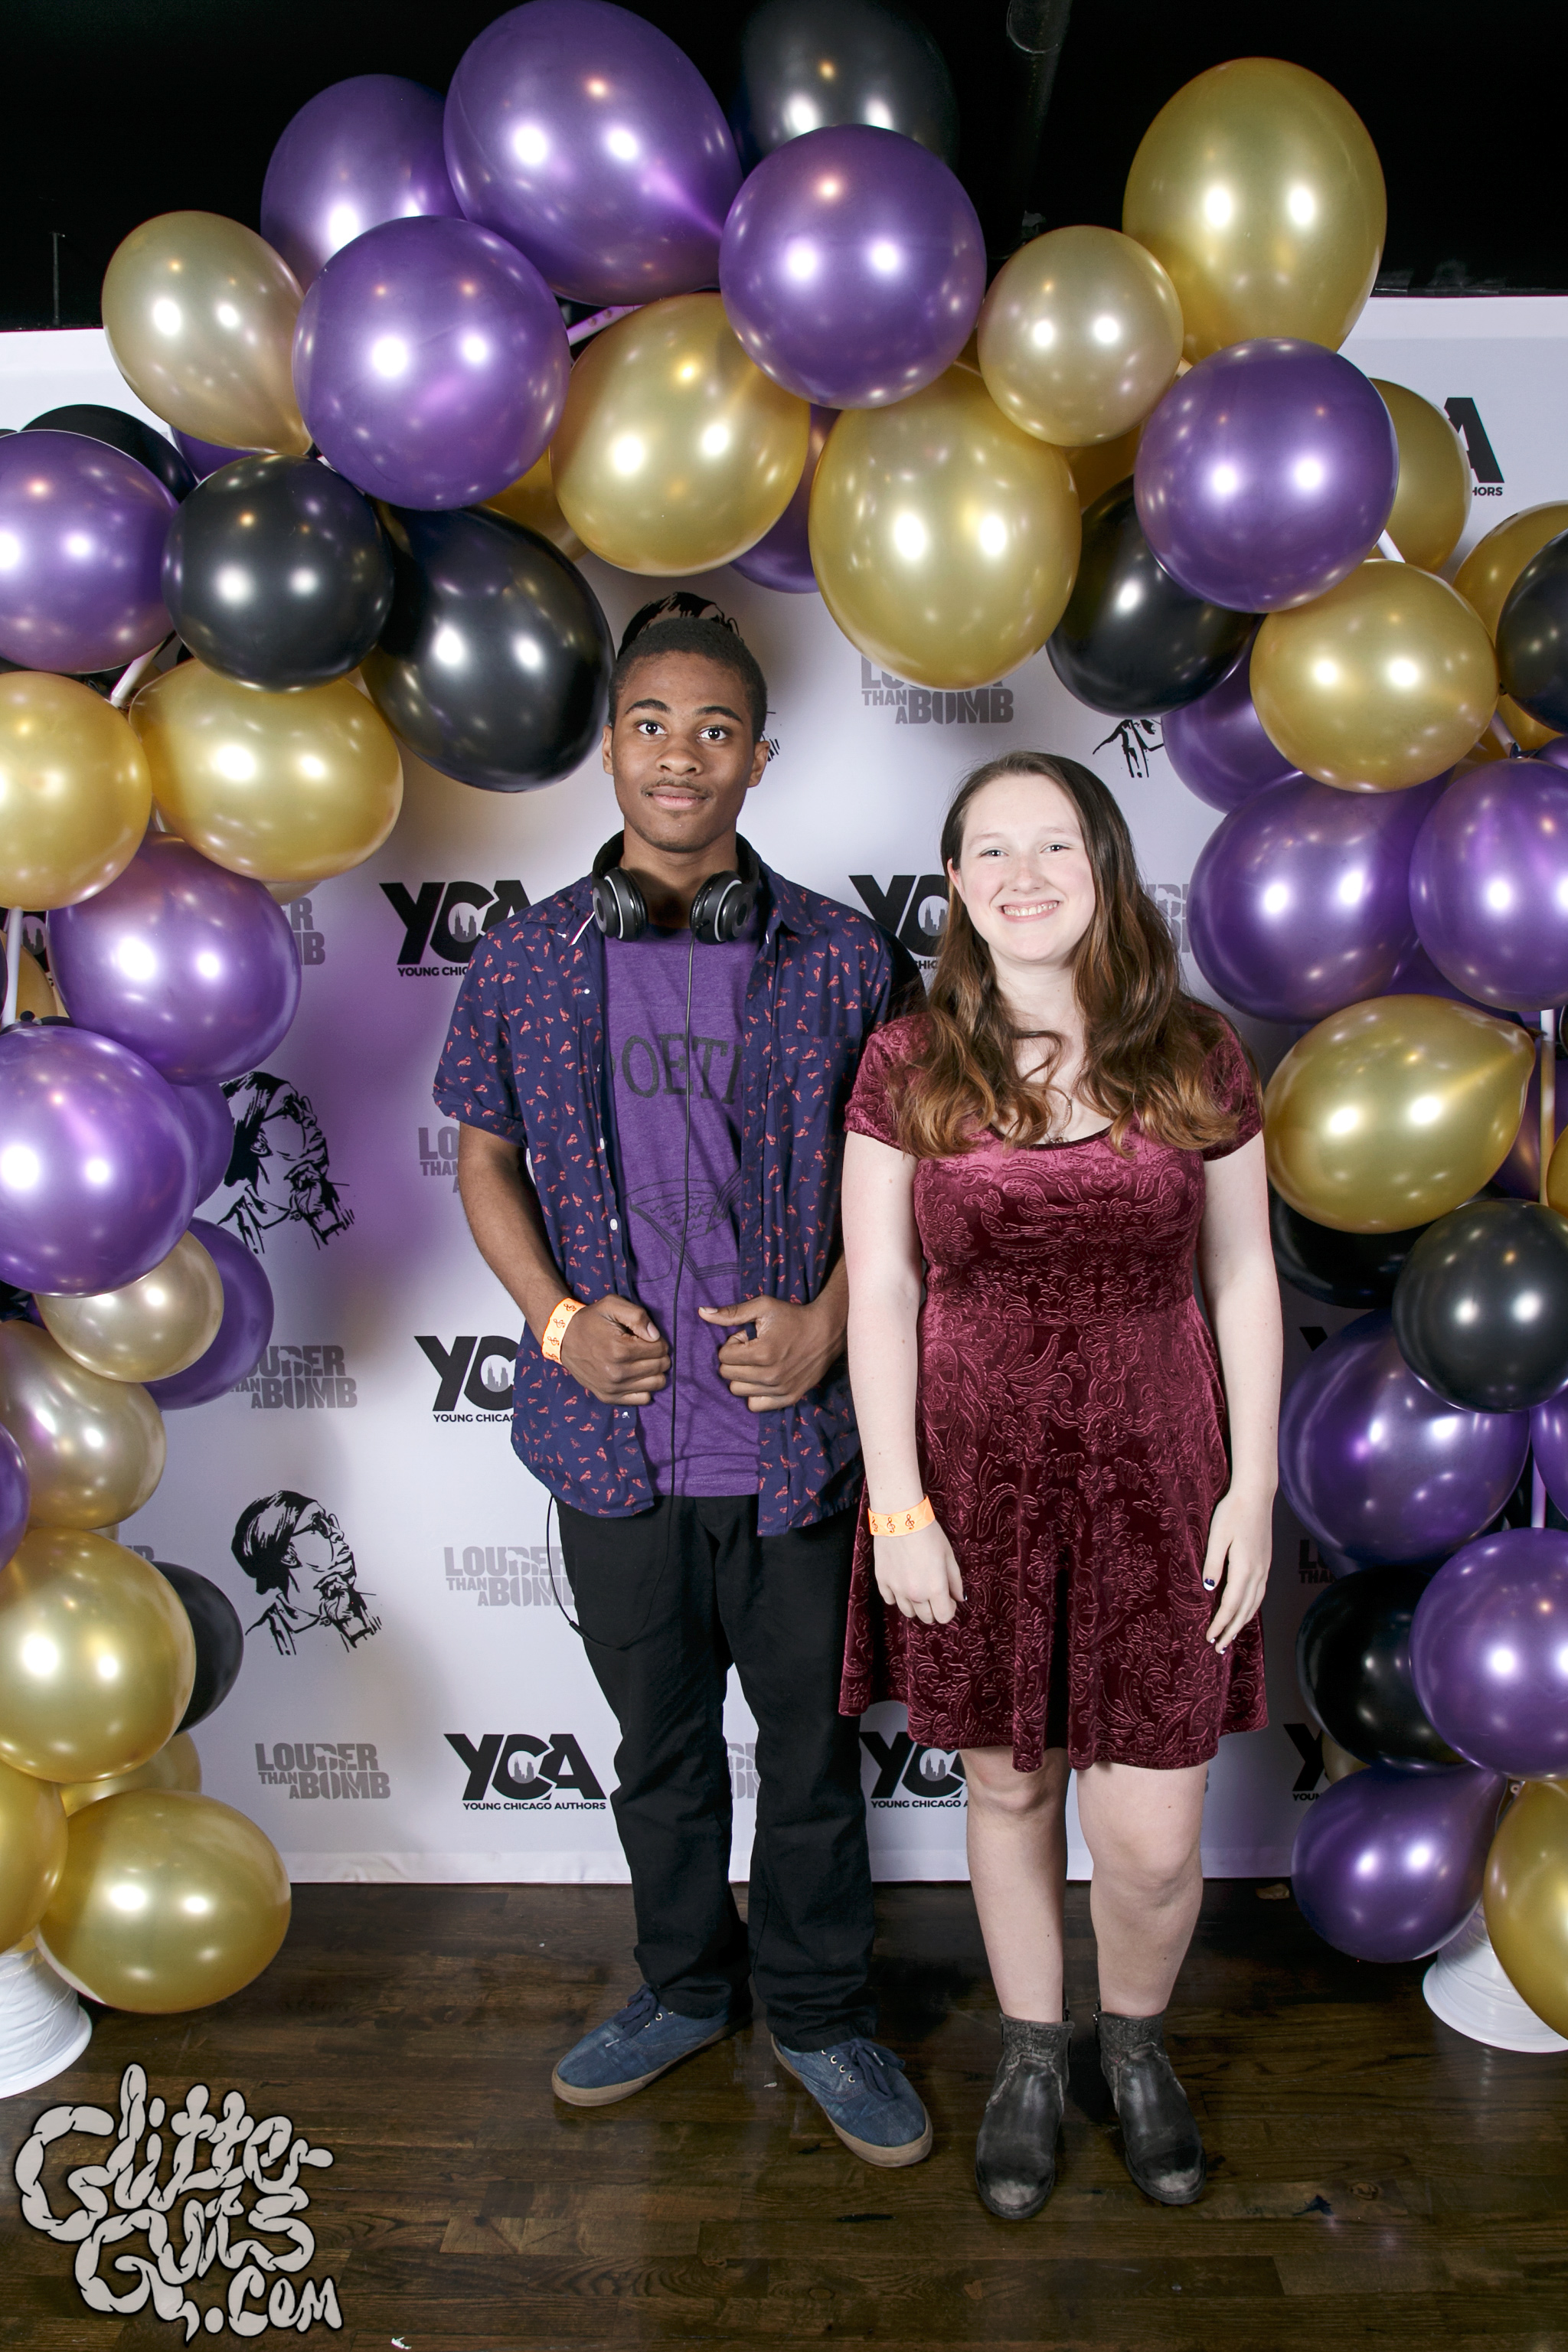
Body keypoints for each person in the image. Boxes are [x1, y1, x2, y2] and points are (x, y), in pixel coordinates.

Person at [434, 602, 930, 2167]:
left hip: (796, 1448)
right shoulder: (526, 958)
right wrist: (555, 1319)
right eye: (651, 723)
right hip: (613, 1447)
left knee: (812, 1760)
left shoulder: (846, 956)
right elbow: (483, 1157)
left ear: (758, 760)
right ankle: (682, 1989)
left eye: (715, 730)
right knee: (655, 1752)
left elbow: (916, 1174)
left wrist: (832, 1322)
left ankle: (823, 2014)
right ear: (610, 746)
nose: (679, 756)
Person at [839, 751, 1280, 2219]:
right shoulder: (907, 1064)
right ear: (955, 884)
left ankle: (1134, 2043)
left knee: (1151, 1842)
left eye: (1055, 848)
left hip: (1164, 1476)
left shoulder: (1197, 1052)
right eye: (992, 851)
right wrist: (897, 1503)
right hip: (975, 1481)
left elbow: (1242, 1276)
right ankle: (1033, 2051)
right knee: (1008, 1780)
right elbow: (884, 1290)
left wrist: (1254, 1488)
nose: (1023, 878)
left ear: (1105, 870)